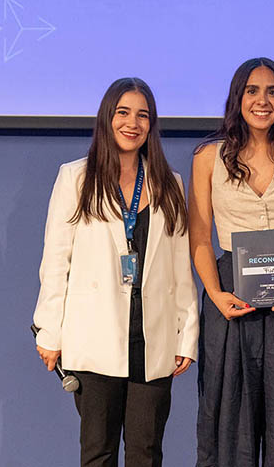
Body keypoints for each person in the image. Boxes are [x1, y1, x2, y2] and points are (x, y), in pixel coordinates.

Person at [32, 77, 199, 467]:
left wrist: (187, 335)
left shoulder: (169, 183)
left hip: (152, 339)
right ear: (107, 117)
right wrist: (49, 331)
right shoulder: (76, 178)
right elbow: (56, 262)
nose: (132, 123)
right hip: (94, 338)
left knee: (146, 454)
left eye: (143, 115)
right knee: (98, 454)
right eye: (123, 112)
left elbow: (181, 268)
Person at [190, 57, 274, 467]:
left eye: (272, 91)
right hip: (232, 297)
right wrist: (216, 294)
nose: (262, 101)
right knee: (230, 418)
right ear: (238, 97)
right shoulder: (209, 157)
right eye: (252, 91)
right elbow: (199, 237)